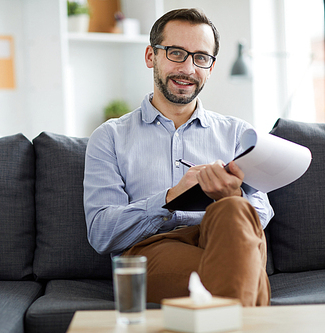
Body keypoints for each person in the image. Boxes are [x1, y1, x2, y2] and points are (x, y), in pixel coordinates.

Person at [83, 8, 274, 306]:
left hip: (225, 236)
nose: (188, 68)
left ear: (210, 67)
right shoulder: (109, 137)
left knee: (235, 211)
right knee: (241, 268)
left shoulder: (239, 134)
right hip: (153, 247)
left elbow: (260, 216)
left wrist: (232, 195)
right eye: (176, 53)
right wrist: (170, 198)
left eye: (200, 57)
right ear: (151, 56)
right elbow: (101, 233)